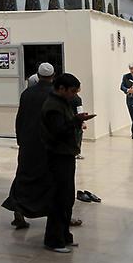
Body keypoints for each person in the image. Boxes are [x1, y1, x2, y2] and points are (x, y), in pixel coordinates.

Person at [42, 73, 95, 253]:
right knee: (59, 198)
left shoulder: (62, 102)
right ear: (61, 88)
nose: (74, 95)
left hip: (65, 154)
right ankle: (54, 240)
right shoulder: (53, 106)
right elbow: (58, 130)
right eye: (72, 91)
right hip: (57, 156)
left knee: (66, 198)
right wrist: (76, 121)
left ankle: (64, 235)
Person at [3, 63, 56, 229]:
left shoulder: (27, 93)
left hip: (28, 142)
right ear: (53, 76)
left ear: (38, 76)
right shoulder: (55, 94)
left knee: (24, 175)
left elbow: (20, 118)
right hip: (47, 144)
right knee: (49, 178)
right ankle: (54, 213)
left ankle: (18, 209)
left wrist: (20, 139)